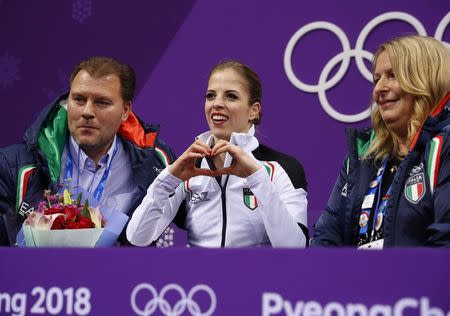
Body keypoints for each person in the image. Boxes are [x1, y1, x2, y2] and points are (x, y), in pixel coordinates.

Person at [127, 60, 308, 247]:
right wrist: (167, 180)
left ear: (254, 111)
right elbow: (138, 238)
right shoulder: (189, 168)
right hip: (198, 277)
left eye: (231, 96)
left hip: (258, 276)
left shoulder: (280, 168)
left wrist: (258, 178)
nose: (217, 104)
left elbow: (294, 247)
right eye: (210, 96)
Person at [0, 56, 175, 246]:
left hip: (121, 275)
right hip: (35, 275)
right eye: (79, 99)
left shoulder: (157, 164)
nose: (87, 111)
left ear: (125, 110)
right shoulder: (14, 166)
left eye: (102, 102)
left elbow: (201, 218)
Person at [311, 35, 450, 248]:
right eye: (377, 79)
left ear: (426, 78)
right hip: (356, 281)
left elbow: (445, 240)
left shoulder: (444, 146)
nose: (379, 89)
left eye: (393, 76)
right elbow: (327, 238)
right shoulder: (363, 155)